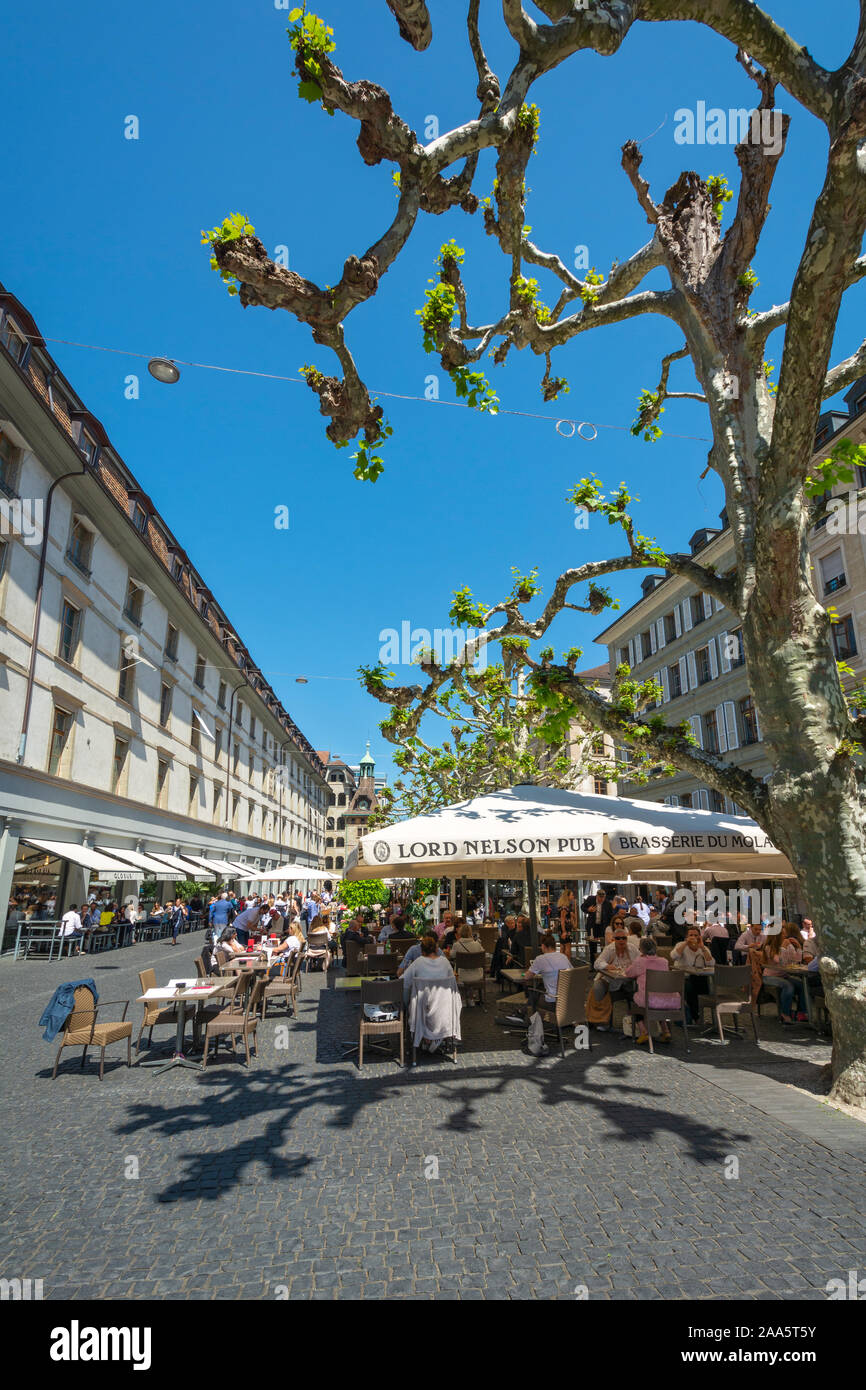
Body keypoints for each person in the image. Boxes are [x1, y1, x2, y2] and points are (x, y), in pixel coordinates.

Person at [624, 938, 678, 1043]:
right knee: (657, 997)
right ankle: (665, 1030)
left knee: (632, 998)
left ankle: (643, 1031)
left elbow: (628, 973)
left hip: (649, 1001)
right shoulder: (664, 962)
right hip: (668, 1000)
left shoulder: (640, 961)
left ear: (642, 949)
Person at [592, 928, 640, 1026]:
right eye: (618, 938)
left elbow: (641, 961)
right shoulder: (610, 949)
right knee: (598, 987)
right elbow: (597, 963)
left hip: (629, 982)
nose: (621, 940)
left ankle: (638, 1023)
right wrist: (607, 966)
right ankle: (600, 1019)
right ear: (614, 939)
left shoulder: (632, 948)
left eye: (624, 938)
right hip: (611, 981)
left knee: (642, 989)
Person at [670, 925, 715, 1023]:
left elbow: (712, 964)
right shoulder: (680, 945)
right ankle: (696, 1016)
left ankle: (697, 1015)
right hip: (682, 978)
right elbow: (673, 956)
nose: (693, 937)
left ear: (700, 936)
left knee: (701, 982)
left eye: (696, 935)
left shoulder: (703, 948)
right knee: (690, 986)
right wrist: (686, 943)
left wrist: (702, 947)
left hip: (699, 978)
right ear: (686, 936)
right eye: (691, 935)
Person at [760, 935, 808, 1023]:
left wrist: (798, 947)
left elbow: (796, 960)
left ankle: (801, 1012)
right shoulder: (768, 948)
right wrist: (783, 947)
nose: (785, 937)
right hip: (770, 977)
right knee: (788, 986)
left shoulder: (787, 946)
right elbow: (781, 961)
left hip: (783, 975)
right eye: (783, 936)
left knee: (802, 985)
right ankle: (785, 1013)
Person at [526, 931, 572, 1005]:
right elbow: (572, 972)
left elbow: (527, 977)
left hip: (552, 999)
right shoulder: (563, 957)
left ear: (543, 946)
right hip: (567, 997)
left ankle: (530, 1013)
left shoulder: (540, 959)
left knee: (533, 992)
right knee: (540, 987)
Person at [448, 922, 486, 1002]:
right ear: (470, 933)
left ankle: (463, 998)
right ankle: (471, 997)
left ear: (460, 933)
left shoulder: (456, 945)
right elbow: (483, 955)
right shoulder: (477, 944)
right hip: (478, 975)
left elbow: (451, 956)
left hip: (461, 976)